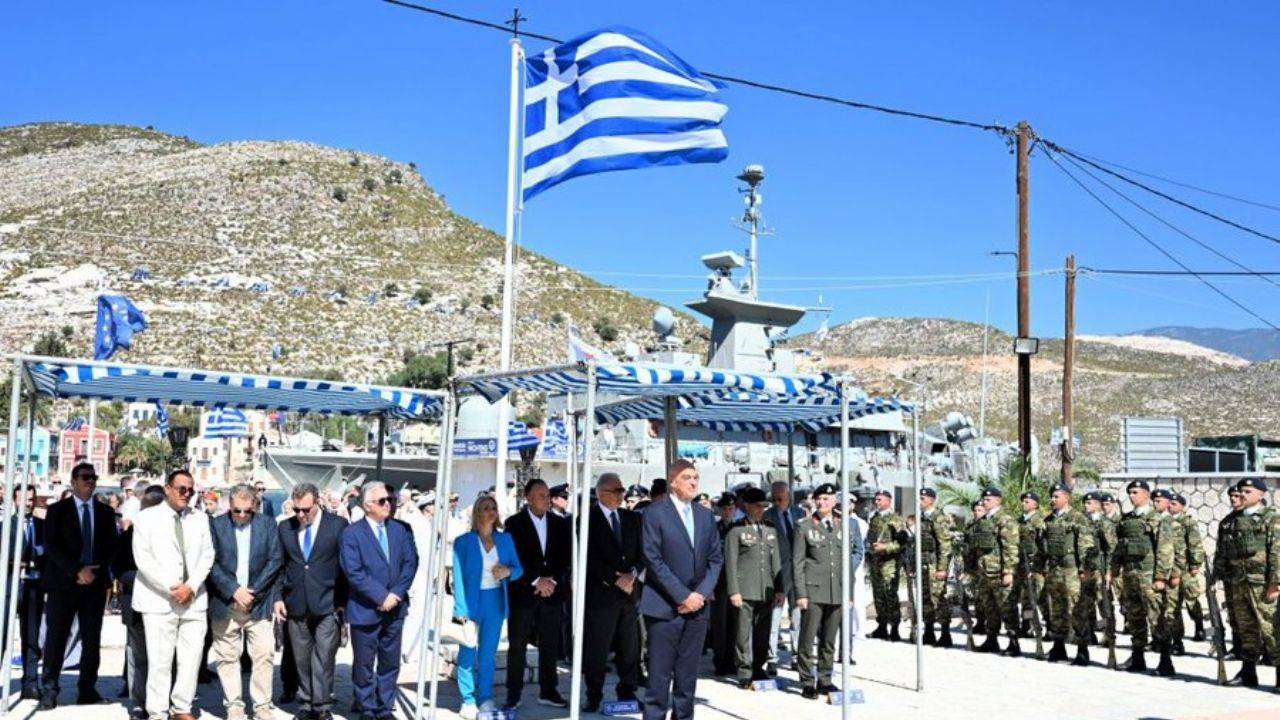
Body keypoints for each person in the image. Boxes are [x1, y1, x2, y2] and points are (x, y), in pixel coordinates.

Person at [638, 459, 723, 720]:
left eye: (696, 477)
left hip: (697, 610)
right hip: (665, 608)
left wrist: (699, 595)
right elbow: (653, 559)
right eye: (687, 477)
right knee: (659, 680)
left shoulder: (705, 515)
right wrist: (682, 595)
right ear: (673, 481)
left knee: (687, 681)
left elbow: (715, 559)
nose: (694, 482)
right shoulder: (655, 513)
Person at [132, 469, 216, 720]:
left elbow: (207, 555)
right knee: (160, 660)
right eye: (182, 489)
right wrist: (173, 587)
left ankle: (182, 707)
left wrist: (191, 586)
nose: (186, 494)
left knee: (191, 660)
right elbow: (143, 559)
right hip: (159, 600)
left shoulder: (200, 518)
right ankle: (157, 711)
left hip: (194, 599)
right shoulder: (146, 518)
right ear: (167, 488)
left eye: (191, 490)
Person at [39, 461, 120, 710]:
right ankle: (50, 688)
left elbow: (111, 546)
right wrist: (77, 570)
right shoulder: (58, 511)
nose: (90, 481)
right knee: (56, 638)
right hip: (64, 584)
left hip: (94, 584)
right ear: (73, 482)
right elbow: (52, 546)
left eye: (93, 477)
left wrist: (94, 571)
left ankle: (87, 688)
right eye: (85, 477)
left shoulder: (105, 513)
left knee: (91, 639)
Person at [341, 481, 419, 720]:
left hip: (395, 609)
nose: (388, 504)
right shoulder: (351, 533)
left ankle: (385, 708)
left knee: (390, 662)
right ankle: (366, 707)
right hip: (365, 608)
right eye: (382, 501)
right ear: (366, 506)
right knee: (364, 665)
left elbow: (411, 563)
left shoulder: (401, 529)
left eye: (390, 500)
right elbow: (353, 571)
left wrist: (394, 595)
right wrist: (380, 596)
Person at [208, 483, 284, 720]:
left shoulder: (268, 525)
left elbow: (275, 560)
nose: (241, 515)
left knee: (264, 655)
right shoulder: (216, 525)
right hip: (225, 601)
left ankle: (262, 706)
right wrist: (234, 590)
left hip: (258, 603)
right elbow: (210, 561)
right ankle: (234, 705)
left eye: (246, 511)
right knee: (227, 657)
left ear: (255, 506)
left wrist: (251, 592)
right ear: (229, 506)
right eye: (236, 510)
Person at [275, 482, 348, 720]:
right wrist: (278, 598)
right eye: (296, 509)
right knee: (301, 658)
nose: (301, 515)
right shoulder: (285, 528)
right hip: (295, 603)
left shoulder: (337, 525)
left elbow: (346, 566)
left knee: (324, 657)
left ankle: (322, 706)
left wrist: (342, 601)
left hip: (328, 603)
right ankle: (306, 704)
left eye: (306, 509)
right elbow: (279, 566)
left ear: (317, 502)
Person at [452, 494, 523, 720]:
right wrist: (459, 609)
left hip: (495, 601)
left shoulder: (506, 539)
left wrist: (508, 572)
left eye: (493, 507)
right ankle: (467, 699)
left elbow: (519, 568)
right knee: (466, 651)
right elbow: (458, 578)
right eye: (485, 507)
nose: (490, 511)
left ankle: (484, 697)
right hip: (470, 603)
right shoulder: (463, 542)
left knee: (487, 654)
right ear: (476, 513)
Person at [504, 478, 571, 709]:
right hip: (523, 594)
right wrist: (535, 580)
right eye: (541, 495)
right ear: (528, 497)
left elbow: (565, 557)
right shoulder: (514, 523)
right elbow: (515, 557)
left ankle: (549, 690)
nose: (546, 499)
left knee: (550, 645)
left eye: (547, 495)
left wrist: (550, 580)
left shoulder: (559, 523)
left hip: (551, 593)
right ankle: (513, 693)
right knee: (518, 645)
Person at [792, 483, 864, 699]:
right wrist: (801, 593)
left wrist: (849, 593)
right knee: (807, 638)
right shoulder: (804, 526)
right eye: (820, 499)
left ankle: (825, 679)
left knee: (829, 639)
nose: (823, 503)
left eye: (827, 499)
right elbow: (798, 562)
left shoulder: (844, 525)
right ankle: (807, 681)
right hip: (813, 590)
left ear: (835, 502)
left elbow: (847, 564)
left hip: (837, 591)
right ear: (814, 501)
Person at [581, 473, 643, 712]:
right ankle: (593, 695)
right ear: (601, 493)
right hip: (601, 595)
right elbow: (587, 557)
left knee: (629, 648)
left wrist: (633, 574)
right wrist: (614, 579)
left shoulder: (631, 518)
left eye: (622, 490)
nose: (622, 495)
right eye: (617, 491)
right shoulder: (587, 519)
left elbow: (642, 552)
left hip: (628, 595)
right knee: (597, 649)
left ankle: (627, 692)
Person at [1214, 478, 1278, 688]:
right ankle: (1248, 672)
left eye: (1247, 491)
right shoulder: (1230, 521)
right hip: (1237, 583)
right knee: (1245, 629)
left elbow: (1277, 552)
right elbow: (1221, 553)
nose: (1242, 495)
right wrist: (1216, 578)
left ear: (1261, 494)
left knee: (1272, 629)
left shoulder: (1271, 518)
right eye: (1240, 492)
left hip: (1263, 584)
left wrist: (1275, 582)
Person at [1112, 480, 1176, 675]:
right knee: (1134, 618)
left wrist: (1160, 577)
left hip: (1149, 576)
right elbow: (1119, 547)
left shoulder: (1157, 519)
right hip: (1130, 575)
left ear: (1147, 495)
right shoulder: (1126, 520)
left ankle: (1165, 660)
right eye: (1130, 492)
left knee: (1157, 618)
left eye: (1136, 492)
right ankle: (1137, 657)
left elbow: (1165, 550)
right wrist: (1114, 570)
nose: (1132, 496)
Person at [115, 484, 166, 719]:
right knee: (138, 656)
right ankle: (138, 702)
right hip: (136, 605)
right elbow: (120, 571)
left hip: (166, 604)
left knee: (165, 657)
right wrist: (151, 576)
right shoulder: (128, 537)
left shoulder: (170, 536)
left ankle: (162, 701)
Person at [724, 486, 784, 688]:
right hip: (745, 589)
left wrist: (779, 588)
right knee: (743, 632)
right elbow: (730, 563)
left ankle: (758, 667)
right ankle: (743, 670)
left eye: (764, 506)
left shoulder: (770, 528)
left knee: (763, 632)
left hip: (765, 589)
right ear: (747, 506)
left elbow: (776, 562)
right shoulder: (736, 529)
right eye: (758, 506)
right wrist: (734, 590)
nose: (761, 510)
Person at [1039, 483, 1095, 664]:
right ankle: (1058, 645)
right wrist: (1040, 568)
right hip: (1054, 570)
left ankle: (1082, 648)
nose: (1053, 499)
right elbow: (1041, 547)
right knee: (1056, 609)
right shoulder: (1048, 521)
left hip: (1072, 571)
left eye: (1056, 496)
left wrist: (1084, 569)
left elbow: (1085, 544)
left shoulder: (1077, 518)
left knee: (1076, 608)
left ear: (1066, 497)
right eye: (1052, 496)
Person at [967, 487, 1018, 654]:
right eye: (983, 499)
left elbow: (1010, 547)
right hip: (983, 572)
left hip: (998, 572)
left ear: (998, 500)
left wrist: (1008, 571)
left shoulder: (1005, 520)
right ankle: (991, 639)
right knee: (989, 607)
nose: (984, 502)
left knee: (1006, 606)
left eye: (988, 500)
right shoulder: (982, 521)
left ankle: (1013, 641)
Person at [6, 485, 45, 700]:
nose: (28, 503)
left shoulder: (43, 527)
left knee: (31, 637)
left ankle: (30, 683)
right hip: (10, 588)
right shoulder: (5, 527)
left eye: (31, 499)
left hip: (34, 587)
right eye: (23, 499)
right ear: (14, 500)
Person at [764, 481, 803, 674]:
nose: (777, 501)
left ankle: (797, 656)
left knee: (797, 617)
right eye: (774, 497)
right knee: (774, 618)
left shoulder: (800, 514)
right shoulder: (767, 516)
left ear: (788, 495)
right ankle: (772, 657)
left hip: (798, 574)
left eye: (781, 497)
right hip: (777, 574)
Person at [865, 489, 905, 641]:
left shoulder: (895, 519)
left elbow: (902, 542)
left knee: (890, 595)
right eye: (876, 499)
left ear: (889, 501)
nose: (877, 502)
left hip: (890, 563)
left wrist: (886, 547)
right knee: (878, 595)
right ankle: (881, 626)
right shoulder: (874, 518)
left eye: (880, 499)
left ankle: (894, 628)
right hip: (875, 561)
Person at [1168, 493, 1205, 654]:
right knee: (1173, 606)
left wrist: (1195, 564)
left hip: (1187, 570)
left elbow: (1195, 543)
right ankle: (1177, 641)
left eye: (1174, 503)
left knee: (1191, 601)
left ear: (1182, 506)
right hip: (1172, 569)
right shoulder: (1165, 521)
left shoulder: (1188, 522)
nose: (1171, 506)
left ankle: (1199, 625)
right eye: (1169, 503)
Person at [917, 487, 954, 647]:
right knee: (925, 599)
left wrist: (942, 568)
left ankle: (945, 633)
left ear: (931, 500)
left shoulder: (938, 518)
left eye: (923, 498)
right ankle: (929, 631)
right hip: (923, 564)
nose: (919, 501)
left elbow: (944, 545)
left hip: (934, 565)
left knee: (938, 598)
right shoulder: (922, 518)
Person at [708, 491, 738, 675]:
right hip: (718, 583)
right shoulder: (714, 529)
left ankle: (732, 659)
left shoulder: (739, 528)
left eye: (731, 508)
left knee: (735, 623)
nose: (728, 511)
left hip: (736, 583)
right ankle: (719, 660)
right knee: (719, 624)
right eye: (725, 508)